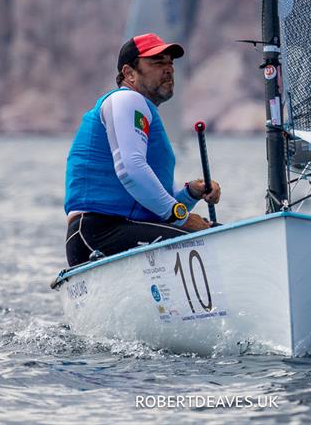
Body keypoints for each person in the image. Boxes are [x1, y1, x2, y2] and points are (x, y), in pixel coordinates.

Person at [64, 33, 221, 266]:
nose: (168, 69)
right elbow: (131, 170)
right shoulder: (127, 101)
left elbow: (157, 209)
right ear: (129, 73)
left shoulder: (139, 110)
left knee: (212, 231)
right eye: (157, 62)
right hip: (100, 232)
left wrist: (190, 194)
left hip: (110, 233)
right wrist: (182, 218)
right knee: (214, 241)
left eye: (170, 62)